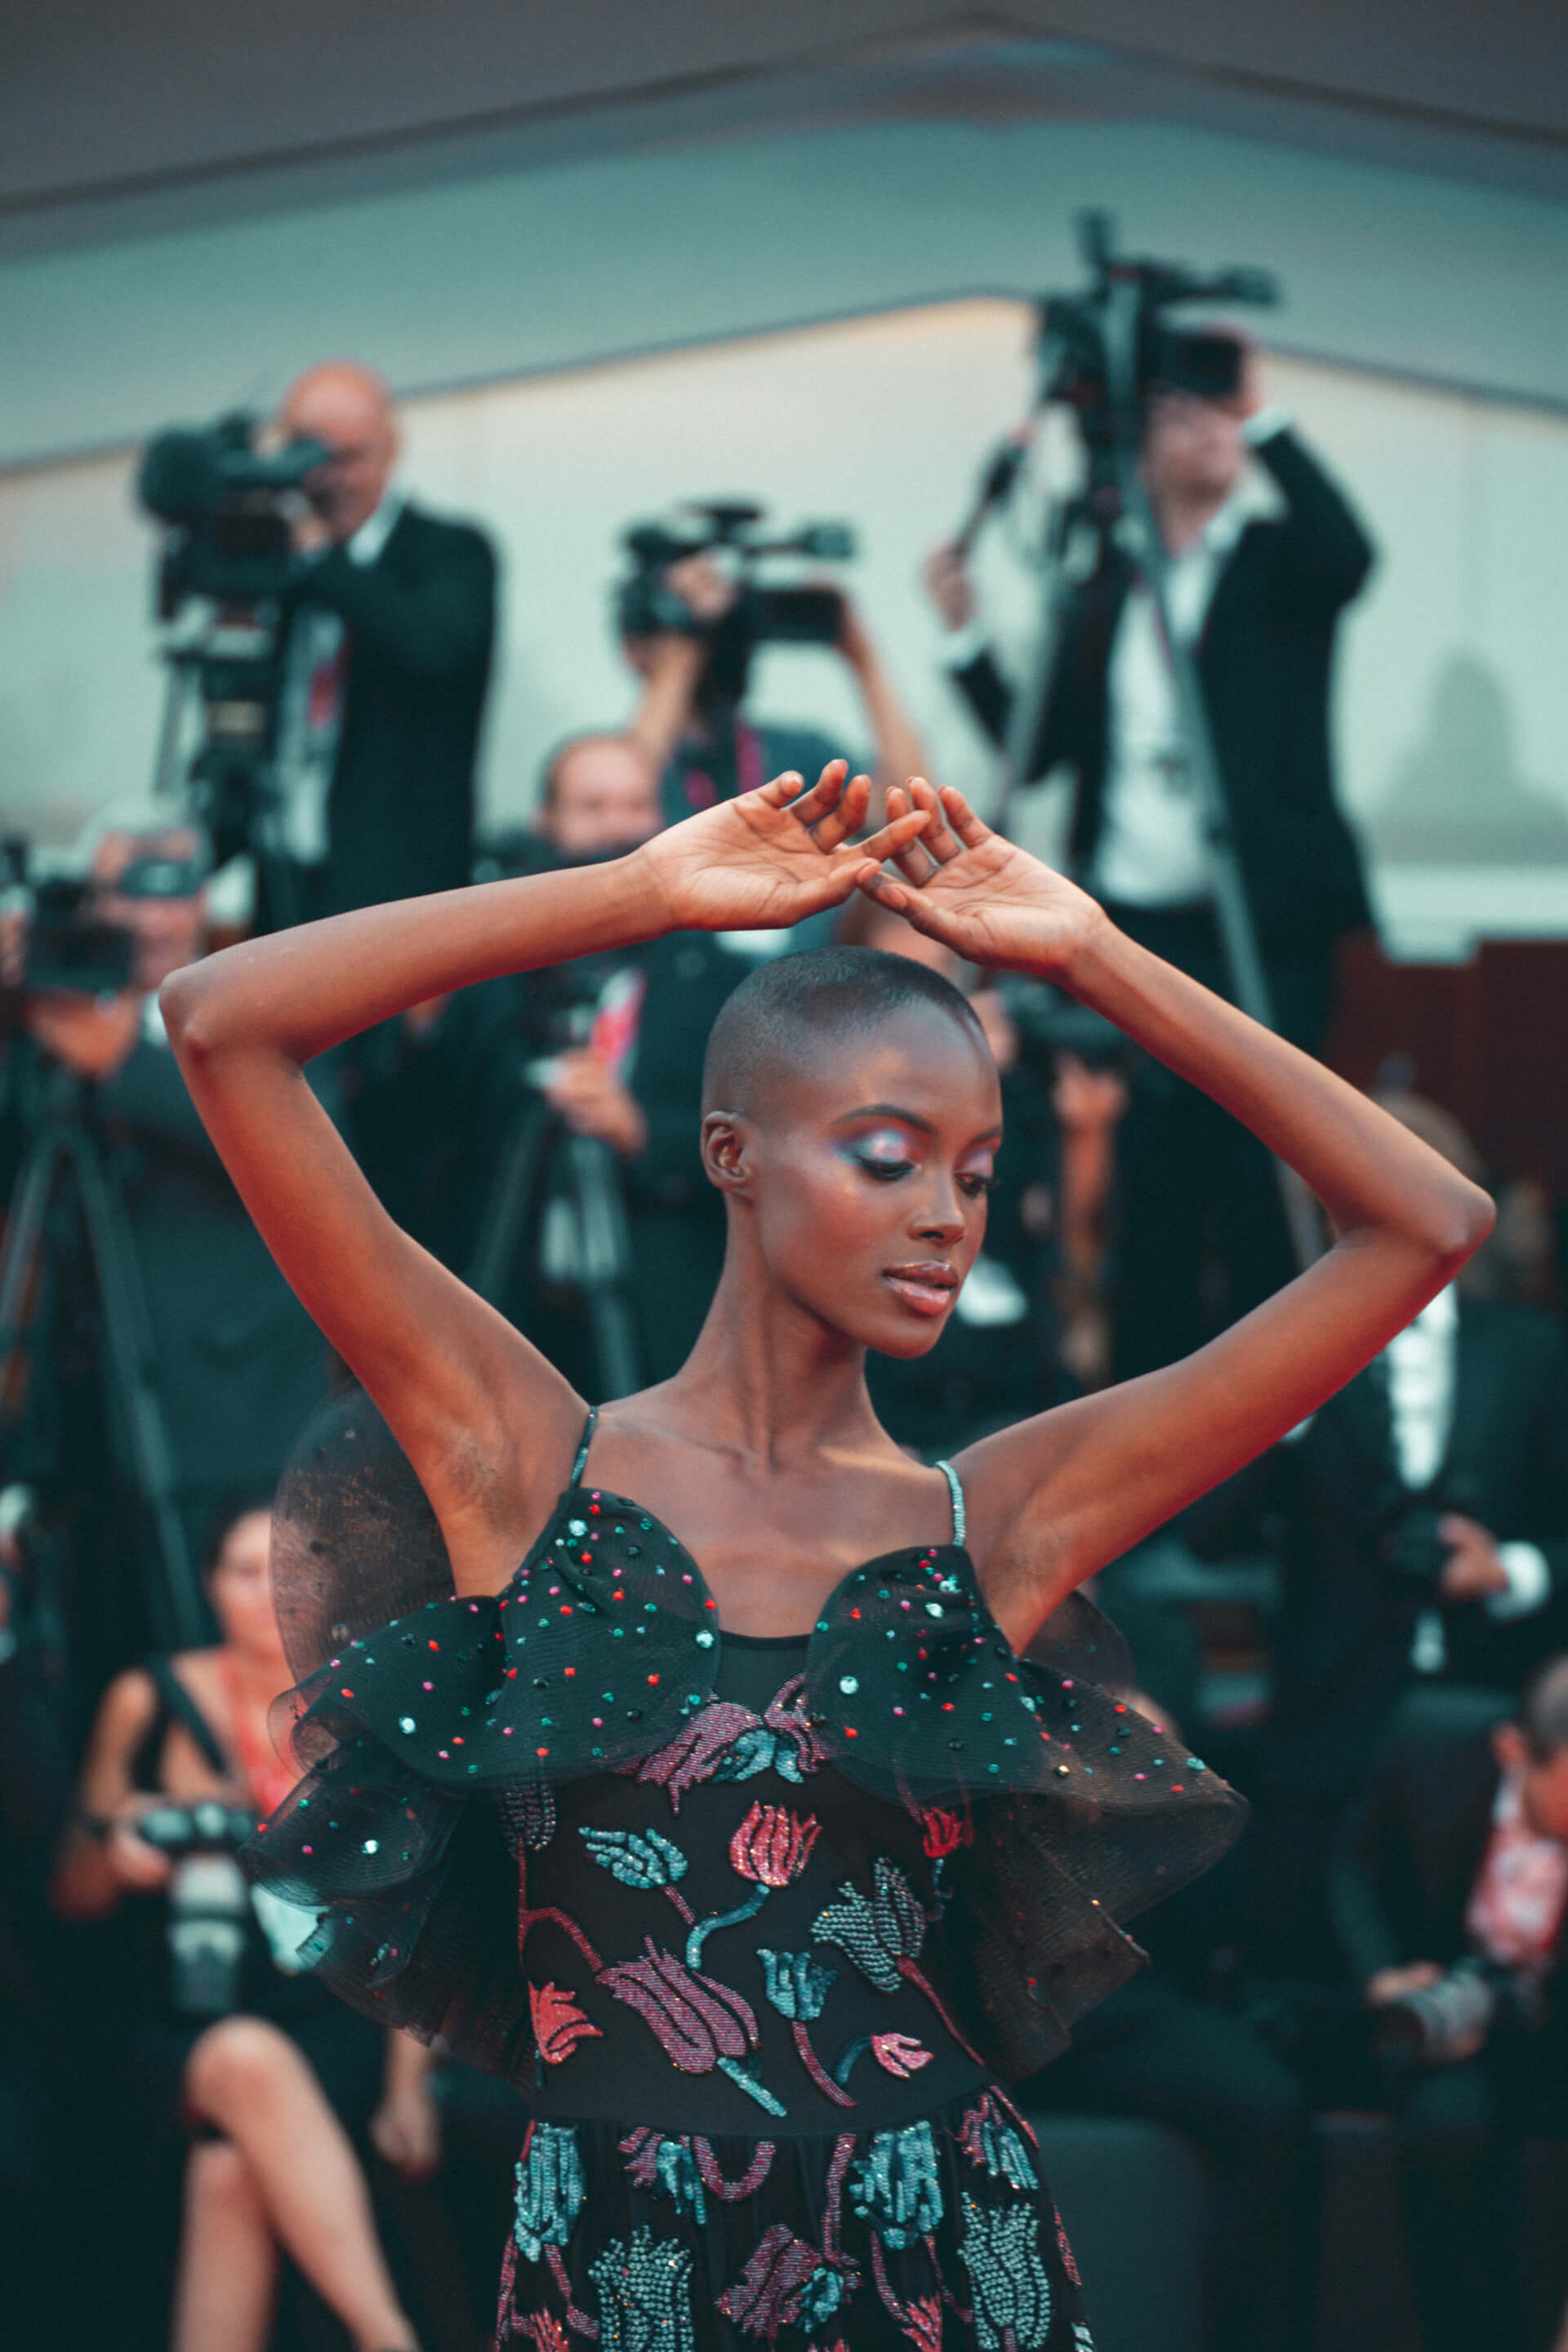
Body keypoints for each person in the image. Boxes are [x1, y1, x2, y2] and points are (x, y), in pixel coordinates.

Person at [159, 760, 1490, 2345]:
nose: (947, 1214)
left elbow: (1426, 1221)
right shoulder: (527, 1460)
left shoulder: (988, 1514)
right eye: (886, 1154)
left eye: (978, 1172)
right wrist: (638, 895)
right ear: (730, 1152)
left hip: (936, 2238)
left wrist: (1090, 953)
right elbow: (220, 1022)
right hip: (619, 2256)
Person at [925, 341, 1376, 1377]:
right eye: (1182, 413)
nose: (1208, 428)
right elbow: (1041, 748)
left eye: (1221, 414)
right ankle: (1147, 1431)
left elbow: (1348, 556)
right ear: (1137, 442)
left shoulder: (1273, 564)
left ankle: (1278, 1453)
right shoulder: (1109, 584)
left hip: (1262, 925)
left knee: (1267, 1171)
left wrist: (1262, 416)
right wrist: (963, 638)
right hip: (1139, 919)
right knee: (1150, 1180)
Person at [51, 1498, 431, 2352]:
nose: (268, 1592)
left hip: (336, 2024)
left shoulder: (366, 1721)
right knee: (242, 2059)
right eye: (244, 1571)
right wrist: (117, 1852)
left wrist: (410, 2093)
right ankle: (387, 2336)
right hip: (186, 2027)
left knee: (231, 2171)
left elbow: (413, 1925)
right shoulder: (150, 1699)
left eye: (290, 1572)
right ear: (209, 1586)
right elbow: (68, 1895)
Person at [8, 808, 329, 1664]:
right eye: (125, 895)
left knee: (234, 1648)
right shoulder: (37, 1023)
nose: (149, 920)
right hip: (77, 1418)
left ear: (204, 903)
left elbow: (304, 1149)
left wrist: (122, 1060)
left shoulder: (271, 996)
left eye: (173, 893)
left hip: (227, 1416)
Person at [1330, 1666, 1568, 2352]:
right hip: (1449, 2018)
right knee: (1446, 2132)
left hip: (1554, 2035)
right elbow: (1353, 1865)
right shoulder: (1430, 1746)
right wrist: (1384, 1979)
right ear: (1515, 1751)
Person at [266, 361, 497, 925]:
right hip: (284, 871)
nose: (332, 478)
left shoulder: (452, 551)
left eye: (351, 457)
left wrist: (324, 559)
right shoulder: (281, 566)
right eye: (313, 457)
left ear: (391, 448)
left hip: (402, 886)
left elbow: (433, 651)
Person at [625, 550, 929, 836]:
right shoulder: (605, 762)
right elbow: (619, 796)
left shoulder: (801, 756)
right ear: (633, 651)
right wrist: (679, 655)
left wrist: (863, 657)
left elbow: (910, 814)